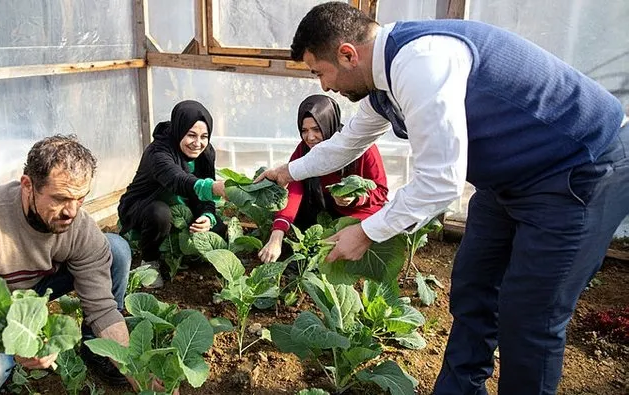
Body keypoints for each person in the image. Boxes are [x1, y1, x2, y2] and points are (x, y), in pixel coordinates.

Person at [257, 3, 629, 394]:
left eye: (320, 72)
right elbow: (347, 142)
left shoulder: (421, 63)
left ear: (348, 54)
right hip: (512, 177)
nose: (324, 87)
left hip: (582, 166)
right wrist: (289, 171)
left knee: (530, 316)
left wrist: (367, 231)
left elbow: (441, 181)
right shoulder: (383, 79)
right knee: (473, 288)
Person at [0, 135, 145, 394]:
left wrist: (136, 371)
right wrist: (18, 339)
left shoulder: (79, 226)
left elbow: (103, 309)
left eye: (80, 198)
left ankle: (95, 348)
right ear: (27, 185)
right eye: (60, 198)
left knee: (115, 249)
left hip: (36, 290)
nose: (71, 212)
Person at [258, 94, 389, 263]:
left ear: (329, 125)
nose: (310, 137)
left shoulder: (363, 148)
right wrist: (277, 234)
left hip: (357, 213)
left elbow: (381, 192)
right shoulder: (304, 149)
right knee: (302, 221)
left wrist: (356, 198)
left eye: (317, 129)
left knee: (363, 231)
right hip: (325, 209)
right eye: (304, 131)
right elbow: (294, 191)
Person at [118, 100, 226, 288]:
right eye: (191, 135)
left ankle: (181, 252)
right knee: (160, 214)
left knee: (218, 228)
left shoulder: (206, 153)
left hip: (180, 207)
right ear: (179, 129)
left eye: (204, 136)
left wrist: (207, 216)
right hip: (144, 206)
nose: (198, 143)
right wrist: (215, 188)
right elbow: (178, 180)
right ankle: (149, 261)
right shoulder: (158, 152)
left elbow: (204, 197)